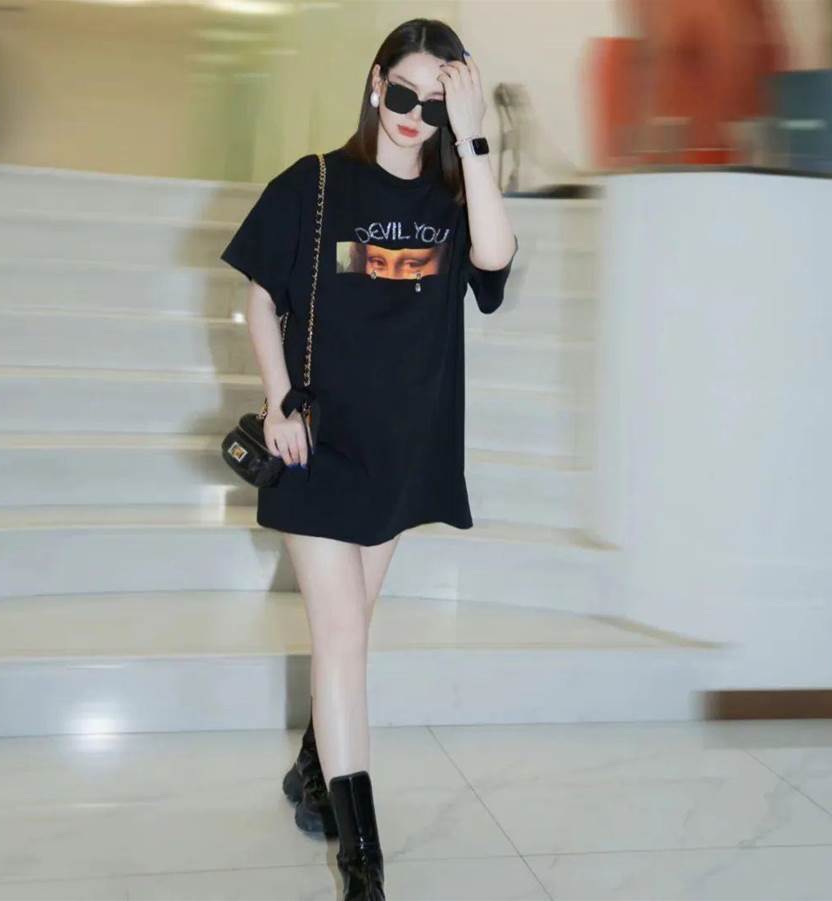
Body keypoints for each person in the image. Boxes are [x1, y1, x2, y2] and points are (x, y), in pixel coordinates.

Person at [220, 18, 517, 901]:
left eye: (436, 104)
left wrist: (474, 141)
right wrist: (278, 398)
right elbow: (261, 296)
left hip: (399, 450)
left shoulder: (454, 202)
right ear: (375, 82)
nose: (414, 115)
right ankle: (363, 865)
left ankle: (311, 770)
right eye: (404, 93)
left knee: (351, 628)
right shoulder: (316, 182)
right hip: (318, 446)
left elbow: (495, 262)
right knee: (344, 638)